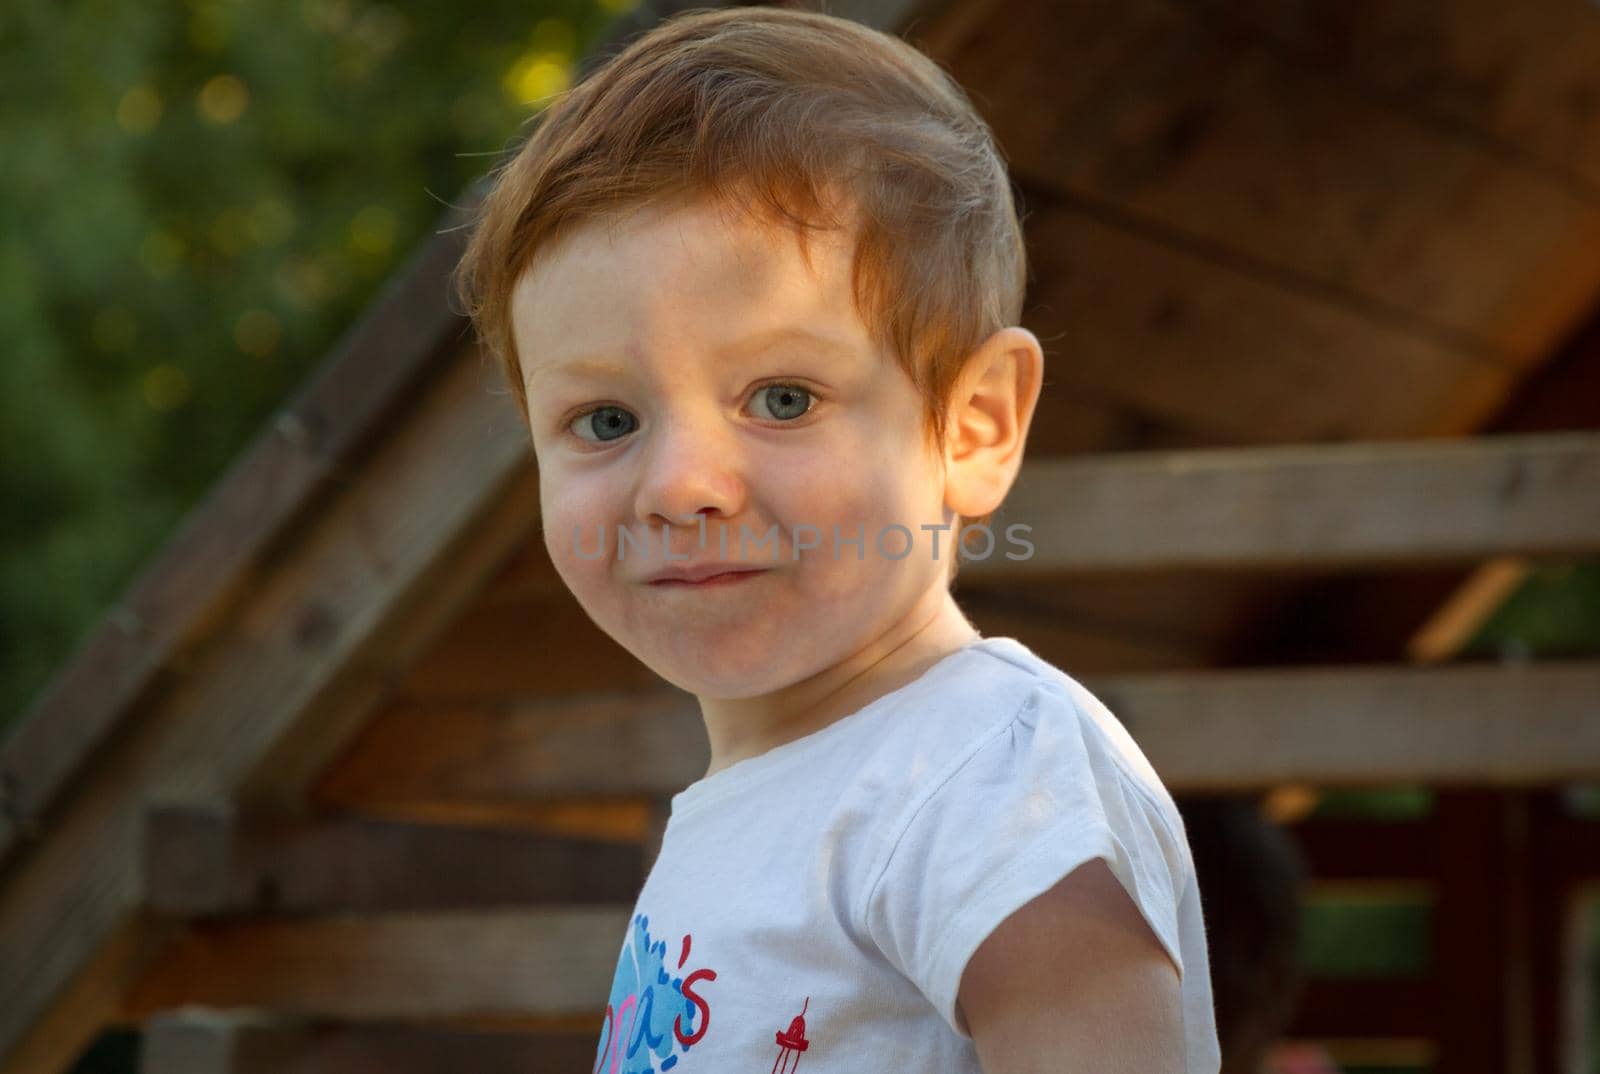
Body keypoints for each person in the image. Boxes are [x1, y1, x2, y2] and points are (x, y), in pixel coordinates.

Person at [452, 6, 1222, 1071]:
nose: (678, 486)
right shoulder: (777, 804)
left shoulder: (990, 775)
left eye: (780, 397)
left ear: (973, 425)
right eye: (607, 421)